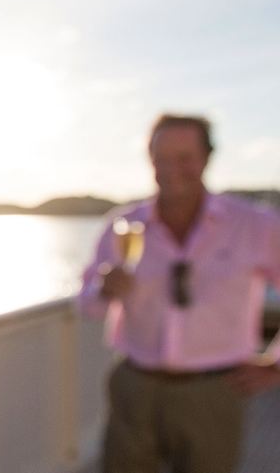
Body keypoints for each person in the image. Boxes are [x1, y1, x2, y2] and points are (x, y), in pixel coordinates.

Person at [77, 113, 280, 473]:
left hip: (215, 392)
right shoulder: (124, 224)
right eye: (161, 159)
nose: (171, 169)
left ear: (206, 158)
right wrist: (103, 288)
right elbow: (87, 304)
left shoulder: (254, 224)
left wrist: (276, 366)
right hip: (134, 386)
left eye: (184, 158)